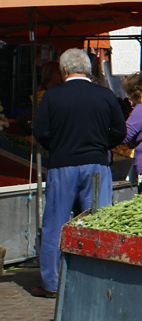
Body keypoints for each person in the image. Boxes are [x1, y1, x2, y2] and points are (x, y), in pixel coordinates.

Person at [33, 48, 126, 297]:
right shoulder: (105, 95)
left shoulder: (52, 97)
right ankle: (100, 276)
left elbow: (40, 132)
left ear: (64, 70)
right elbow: (120, 131)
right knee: (99, 222)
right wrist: (101, 144)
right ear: (87, 68)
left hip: (62, 164)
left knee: (55, 223)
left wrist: (59, 145)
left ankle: (51, 283)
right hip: (96, 164)